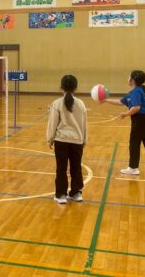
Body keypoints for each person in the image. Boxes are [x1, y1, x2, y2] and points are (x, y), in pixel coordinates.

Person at [102, 70, 145, 175]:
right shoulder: (136, 91)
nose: (128, 78)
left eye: (129, 76)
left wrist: (126, 114)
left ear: (133, 80)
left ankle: (133, 168)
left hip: (141, 119)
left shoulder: (136, 92)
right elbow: (120, 102)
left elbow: (136, 107)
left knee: (134, 142)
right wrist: (106, 100)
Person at [46, 75, 87, 204]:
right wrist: (84, 139)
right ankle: (76, 193)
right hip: (77, 141)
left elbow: (52, 124)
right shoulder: (81, 104)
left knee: (61, 168)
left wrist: (50, 139)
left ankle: (61, 195)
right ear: (76, 88)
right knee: (76, 167)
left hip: (61, 141)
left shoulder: (57, 103)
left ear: (61, 87)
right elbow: (84, 124)